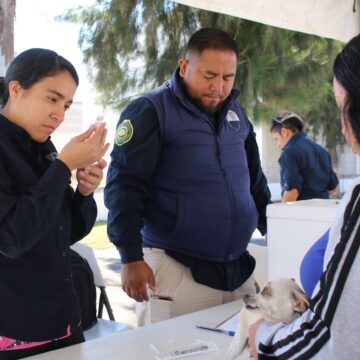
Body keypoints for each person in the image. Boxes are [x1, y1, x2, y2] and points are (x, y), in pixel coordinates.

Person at [105, 27, 271, 326]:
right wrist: (130, 256)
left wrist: (275, 230)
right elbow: (125, 186)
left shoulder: (237, 113)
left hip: (239, 270)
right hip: (174, 268)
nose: (219, 87)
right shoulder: (149, 110)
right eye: (209, 76)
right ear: (184, 67)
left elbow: (254, 179)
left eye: (227, 77)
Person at [248, 34, 360, 359]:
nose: (342, 125)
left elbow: (333, 336)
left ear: (284, 132)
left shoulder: (289, 155)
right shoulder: (321, 150)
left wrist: (264, 340)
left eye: (343, 108)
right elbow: (331, 187)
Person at [0, 48, 109, 359]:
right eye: (52, 99)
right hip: (13, 331)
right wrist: (62, 168)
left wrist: (84, 193)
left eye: (67, 104)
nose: (59, 115)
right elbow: (12, 237)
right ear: (16, 89)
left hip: (62, 321)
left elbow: (65, 233)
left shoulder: (44, 147)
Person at [271, 111, 338, 202]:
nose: (278, 145)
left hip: (300, 213)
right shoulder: (322, 151)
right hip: (322, 212)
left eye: (276, 139)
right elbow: (333, 188)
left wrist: (281, 214)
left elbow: (292, 191)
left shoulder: (289, 152)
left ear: (284, 132)